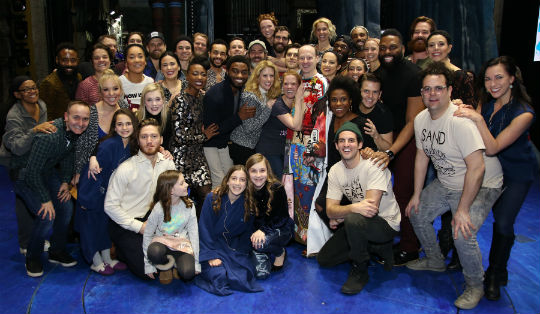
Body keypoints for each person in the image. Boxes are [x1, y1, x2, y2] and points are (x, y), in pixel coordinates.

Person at [405, 62, 503, 310]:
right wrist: (416, 194)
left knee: (462, 231)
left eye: (438, 88)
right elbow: (421, 157)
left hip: (482, 184)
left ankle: (475, 285)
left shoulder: (460, 121)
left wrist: (462, 210)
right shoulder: (420, 120)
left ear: (450, 91)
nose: (432, 94)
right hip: (448, 181)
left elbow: (478, 168)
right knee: (416, 212)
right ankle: (436, 260)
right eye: (427, 89)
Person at [453, 56, 536, 301]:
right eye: (488, 79)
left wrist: (477, 118)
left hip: (517, 173)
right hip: (491, 173)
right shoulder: (488, 104)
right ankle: (464, 260)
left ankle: (496, 273)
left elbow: (492, 147)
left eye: (499, 77)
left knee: (502, 223)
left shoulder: (524, 113)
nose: (492, 83)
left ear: (512, 79)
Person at [317, 122, 400, 294]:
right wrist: (348, 210)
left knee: (354, 220)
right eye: (342, 141)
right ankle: (373, 247)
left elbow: (370, 209)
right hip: (359, 220)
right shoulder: (335, 170)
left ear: (360, 144)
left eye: (351, 140)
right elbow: (330, 210)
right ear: (336, 145)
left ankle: (360, 269)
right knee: (325, 259)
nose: (346, 145)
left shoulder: (374, 164)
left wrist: (343, 213)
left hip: (385, 223)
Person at [12, 100, 91, 277]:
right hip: (24, 176)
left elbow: (67, 155)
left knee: (66, 207)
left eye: (85, 119)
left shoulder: (73, 132)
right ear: (66, 117)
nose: (80, 122)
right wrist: (45, 199)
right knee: (46, 215)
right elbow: (31, 172)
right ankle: (32, 256)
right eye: (76, 117)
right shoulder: (49, 136)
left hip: (46, 171)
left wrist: (64, 180)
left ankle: (57, 250)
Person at [426, 30, 477, 268]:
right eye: (431, 45)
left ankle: (459, 256)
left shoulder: (462, 77)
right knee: (441, 206)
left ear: (450, 47)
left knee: (458, 208)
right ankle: (442, 247)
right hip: (436, 148)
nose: (436, 48)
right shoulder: (427, 75)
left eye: (440, 44)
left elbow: (471, 110)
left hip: (459, 151)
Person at [374, 29, 424, 265]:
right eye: (383, 47)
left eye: (392, 47)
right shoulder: (379, 73)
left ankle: (410, 247)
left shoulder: (414, 75)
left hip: (408, 141)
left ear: (403, 48)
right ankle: (388, 238)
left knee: (404, 194)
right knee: (382, 193)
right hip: (385, 140)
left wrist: (392, 151)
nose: (387, 52)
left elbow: (413, 121)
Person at [104, 118, 176, 279]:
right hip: (126, 223)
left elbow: (173, 197)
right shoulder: (126, 168)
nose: (149, 141)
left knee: (179, 255)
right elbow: (110, 206)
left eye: (153, 136)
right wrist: (139, 227)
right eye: (144, 137)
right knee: (148, 272)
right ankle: (122, 250)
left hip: (154, 219)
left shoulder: (168, 164)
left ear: (161, 139)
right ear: (137, 140)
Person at [75, 109, 135, 275]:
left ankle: (107, 258)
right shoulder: (109, 145)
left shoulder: (130, 145)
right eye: (120, 124)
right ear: (114, 127)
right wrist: (86, 200)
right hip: (94, 193)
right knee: (90, 228)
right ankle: (96, 261)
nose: (124, 127)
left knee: (104, 227)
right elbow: (92, 173)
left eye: (128, 123)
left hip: (109, 195)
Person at [1, 76, 56, 256]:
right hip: (15, 161)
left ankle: (37, 237)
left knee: (36, 199)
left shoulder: (42, 105)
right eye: (27, 89)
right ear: (17, 94)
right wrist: (34, 130)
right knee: (23, 202)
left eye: (34, 87)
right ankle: (26, 243)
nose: (32, 91)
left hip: (34, 160)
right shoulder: (14, 115)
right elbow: (16, 147)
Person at [194, 165, 262, 296]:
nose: (237, 183)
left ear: (247, 184)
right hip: (210, 244)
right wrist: (211, 255)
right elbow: (204, 228)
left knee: (245, 274)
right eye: (234, 178)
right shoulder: (212, 198)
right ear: (227, 180)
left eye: (242, 180)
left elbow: (246, 233)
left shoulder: (249, 205)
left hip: (231, 247)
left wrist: (240, 253)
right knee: (219, 275)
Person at [290, 45, 328, 245]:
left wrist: (315, 147)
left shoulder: (321, 82)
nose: (305, 61)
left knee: (309, 189)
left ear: (316, 58)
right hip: (293, 144)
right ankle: (299, 232)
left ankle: (311, 236)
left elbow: (322, 119)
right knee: (296, 188)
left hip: (311, 145)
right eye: (301, 57)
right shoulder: (294, 79)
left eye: (309, 57)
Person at [170, 56, 217, 217]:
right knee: (180, 199)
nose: (199, 78)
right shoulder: (180, 100)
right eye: (195, 74)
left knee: (207, 194)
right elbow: (179, 136)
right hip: (180, 158)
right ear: (187, 76)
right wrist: (203, 136)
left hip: (197, 156)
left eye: (203, 74)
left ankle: (199, 230)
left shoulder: (202, 98)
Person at [202, 55, 255, 188]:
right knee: (219, 182)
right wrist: (239, 117)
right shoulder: (214, 95)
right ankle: (214, 208)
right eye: (235, 71)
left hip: (225, 144)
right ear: (227, 71)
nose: (239, 75)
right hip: (210, 144)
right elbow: (212, 130)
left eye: (244, 72)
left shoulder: (242, 90)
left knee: (231, 179)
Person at [143, 170, 200, 284]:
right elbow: (148, 234)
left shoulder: (189, 206)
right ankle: (165, 266)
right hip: (162, 243)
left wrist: (196, 262)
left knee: (188, 273)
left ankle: (176, 264)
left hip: (181, 244)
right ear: (171, 190)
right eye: (182, 183)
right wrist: (148, 264)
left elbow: (194, 233)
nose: (187, 185)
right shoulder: (158, 208)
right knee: (154, 252)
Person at [74, 70, 129, 185]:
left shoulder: (124, 107)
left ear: (121, 90)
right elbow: (81, 145)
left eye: (115, 88)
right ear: (100, 92)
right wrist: (78, 172)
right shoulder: (91, 113)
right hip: (93, 170)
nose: (111, 93)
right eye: (106, 89)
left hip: (119, 171)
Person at [247, 154, 294, 279]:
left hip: (280, 229)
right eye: (254, 171)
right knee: (261, 275)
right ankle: (261, 251)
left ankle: (280, 252)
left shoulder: (277, 188)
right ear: (248, 172)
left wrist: (263, 230)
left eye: (262, 170)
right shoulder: (246, 190)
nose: (258, 175)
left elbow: (282, 217)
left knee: (261, 243)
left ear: (268, 171)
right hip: (257, 232)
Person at [256, 70, 304, 177]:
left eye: (293, 84)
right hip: (269, 151)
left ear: (299, 86)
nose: (289, 87)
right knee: (278, 183)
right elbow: (296, 126)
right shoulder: (277, 105)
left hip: (285, 151)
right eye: (286, 84)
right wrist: (299, 99)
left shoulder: (298, 104)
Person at [229, 60, 277, 165]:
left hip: (251, 146)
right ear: (257, 77)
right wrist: (268, 108)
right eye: (265, 76)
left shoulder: (266, 94)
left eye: (271, 76)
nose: (269, 79)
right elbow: (249, 128)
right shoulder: (250, 97)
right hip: (241, 146)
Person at [39, 42, 81, 120]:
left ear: (77, 61)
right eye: (64, 60)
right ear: (57, 60)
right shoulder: (49, 83)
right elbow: (45, 113)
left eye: (73, 60)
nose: (69, 64)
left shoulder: (78, 77)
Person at [357, 73, 393, 151]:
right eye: (366, 91)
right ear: (359, 91)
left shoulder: (384, 114)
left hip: (372, 159)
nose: (370, 96)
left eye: (375, 92)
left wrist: (376, 135)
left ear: (380, 94)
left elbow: (388, 150)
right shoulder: (350, 107)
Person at [135, 83, 172, 150]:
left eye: (157, 99)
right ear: (144, 102)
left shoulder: (170, 118)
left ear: (163, 100)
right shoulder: (136, 119)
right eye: (149, 100)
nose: (154, 104)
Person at [119, 44, 154, 110]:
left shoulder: (150, 82)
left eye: (140, 56)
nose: (137, 60)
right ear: (126, 63)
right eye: (132, 57)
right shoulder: (119, 83)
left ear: (145, 61)